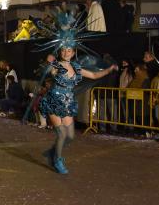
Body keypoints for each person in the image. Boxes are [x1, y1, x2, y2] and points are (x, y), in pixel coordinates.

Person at [37, 9, 117, 175]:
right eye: (63, 50)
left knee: (70, 136)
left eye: (69, 50)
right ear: (61, 51)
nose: (66, 52)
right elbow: (51, 70)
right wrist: (49, 62)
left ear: (73, 53)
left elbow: (94, 74)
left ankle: (54, 153)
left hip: (66, 103)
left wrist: (108, 70)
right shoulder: (57, 65)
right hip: (53, 101)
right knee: (61, 134)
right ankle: (57, 161)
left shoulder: (77, 67)